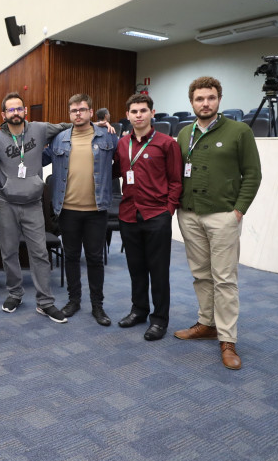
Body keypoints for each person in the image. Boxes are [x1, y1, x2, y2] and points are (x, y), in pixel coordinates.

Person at [173, 76, 262, 370]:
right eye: (199, 99)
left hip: (223, 216)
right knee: (201, 274)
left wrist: (238, 210)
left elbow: (252, 174)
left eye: (210, 97)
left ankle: (228, 339)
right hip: (189, 215)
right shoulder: (184, 134)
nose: (205, 103)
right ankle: (206, 323)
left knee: (224, 278)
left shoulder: (239, 131)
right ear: (192, 103)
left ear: (219, 99)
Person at [0, 92, 71, 322]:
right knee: (9, 252)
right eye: (10, 110)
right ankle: (15, 293)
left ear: (25, 111)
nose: (15, 113)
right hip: (5, 203)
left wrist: (100, 124)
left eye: (19, 109)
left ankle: (45, 302)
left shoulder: (40, 129)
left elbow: (69, 125)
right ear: (4, 114)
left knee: (40, 253)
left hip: (33, 203)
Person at [112, 94, 182, 341]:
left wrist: (168, 211)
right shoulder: (122, 145)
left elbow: (176, 181)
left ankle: (159, 319)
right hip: (129, 215)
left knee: (159, 271)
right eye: (134, 111)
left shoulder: (166, 143)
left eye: (143, 110)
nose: (138, 115)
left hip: (156, 216)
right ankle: (139, 310)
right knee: (136, 269)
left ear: (153, 113)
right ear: (128, 115)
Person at [51, 93, 118, 326]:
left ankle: (97, 305)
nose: (77, 114)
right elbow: (37, 159)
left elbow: (120, 164)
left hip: (96, 210)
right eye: (73, 110)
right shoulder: (59, 139)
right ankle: (74, 300)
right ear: (69, 114)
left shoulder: (108, 136)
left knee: (94, 258)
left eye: (82, 109)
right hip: (67, 209)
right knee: (70, 257)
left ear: (91, 112)